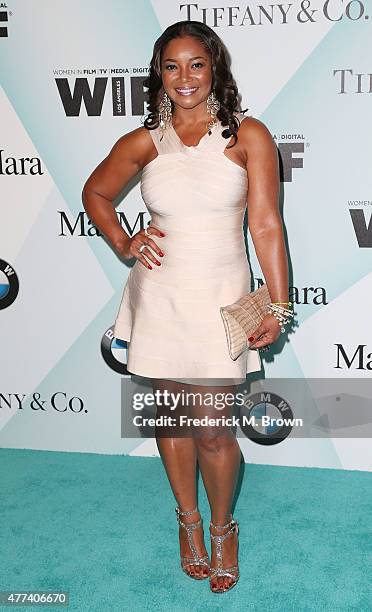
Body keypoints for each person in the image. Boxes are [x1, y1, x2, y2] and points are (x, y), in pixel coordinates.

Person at [82, 20, 291, 594]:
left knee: (215, 434)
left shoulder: (247, 135)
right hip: (160, 298)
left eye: (196, 64)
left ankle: (223, 528)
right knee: (170, 424)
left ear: (215, 67)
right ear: (160, 75)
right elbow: (94, 193)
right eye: (171, 66)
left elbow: (266, 224)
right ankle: (188, 524)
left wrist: (278, 304)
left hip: (223, 300)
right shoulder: (145, 140)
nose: (184, 77)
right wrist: (125, 241)